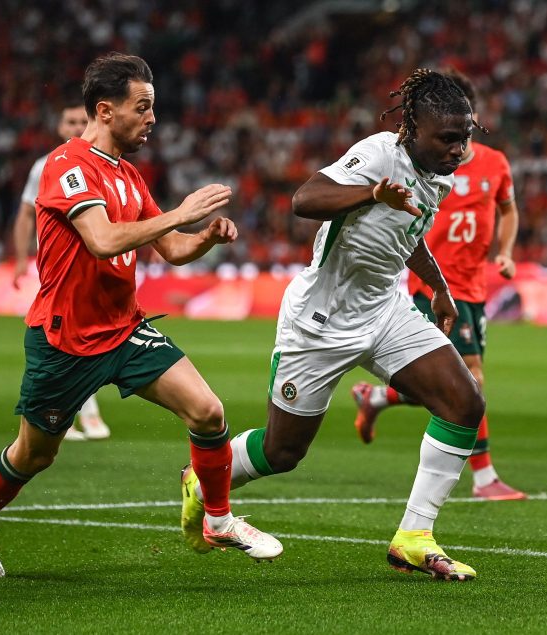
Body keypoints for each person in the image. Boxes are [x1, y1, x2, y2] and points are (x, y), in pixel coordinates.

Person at [0, 53, 281, 577]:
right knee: (35, 455)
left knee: (208, 412)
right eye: (142, 108)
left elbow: (170, 248)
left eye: (153, 108)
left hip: (125, 329)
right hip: (65, 341)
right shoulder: (66, 166)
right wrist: (181, 212)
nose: (152, 119)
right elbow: (101, 240)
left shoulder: (128, 175)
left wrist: (205, 238)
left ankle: (217, 518)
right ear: (105, 110)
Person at [181, 68, 486, 581]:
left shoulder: (439, 169)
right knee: (283, 452)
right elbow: (305, 200)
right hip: (322, 321)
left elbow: (407, 233)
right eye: (448, 139)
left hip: (386, 310)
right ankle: (203, 478)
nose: (459, 149)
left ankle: (414, 536)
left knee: (464, 402)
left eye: (465, 137)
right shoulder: (378, 155)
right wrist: (371, 194)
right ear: (413, 129)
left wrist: (438, 286)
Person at [349, 69, 526, 501]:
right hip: (436, 284)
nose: (457, 143)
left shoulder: (495, 163)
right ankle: (485, 479)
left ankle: (377, 398)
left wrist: (505, 251)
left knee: (447, 382)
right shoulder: (425, 162)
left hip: (475, 287)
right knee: (472, 380)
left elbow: (509, 210)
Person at [11, 101, 110, 441]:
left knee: (84, 334)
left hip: (94, 264)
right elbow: (26, 214)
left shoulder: (101, 164)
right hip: (57, 266)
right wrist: (22, 257)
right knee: (66, 334)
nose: (75, 127)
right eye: (69, 121)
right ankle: (68, 412)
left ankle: (65, 410)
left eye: (82, 121)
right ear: (58, 126)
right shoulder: (46, 166)